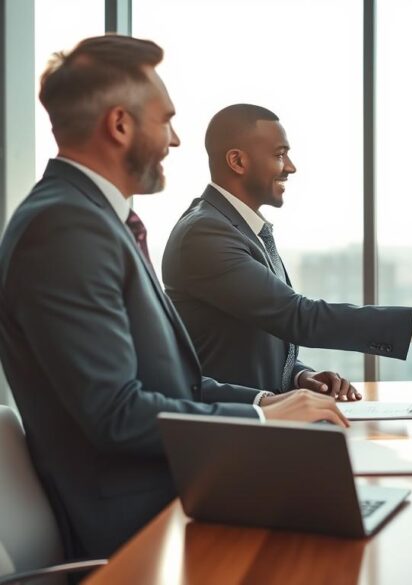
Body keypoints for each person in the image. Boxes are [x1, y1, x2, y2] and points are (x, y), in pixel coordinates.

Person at [0, 36, 348, 559]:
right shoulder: (65, 228)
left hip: (173, 496)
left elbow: (177, 385)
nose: (177, 139)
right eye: (165, 120)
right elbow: (116, 415)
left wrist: (265, 401)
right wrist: (263, 423)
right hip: (140, 527)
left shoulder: (93, 220)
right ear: (119, 125)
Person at [162, 104, 412, 399]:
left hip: (266, 422)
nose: (290, 167)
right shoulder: (205, 234)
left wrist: (299, 377)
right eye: (279, 154)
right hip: (230, 431)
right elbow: (297, 317)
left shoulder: (237, 229)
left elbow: (253, 336)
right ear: (238, 162)